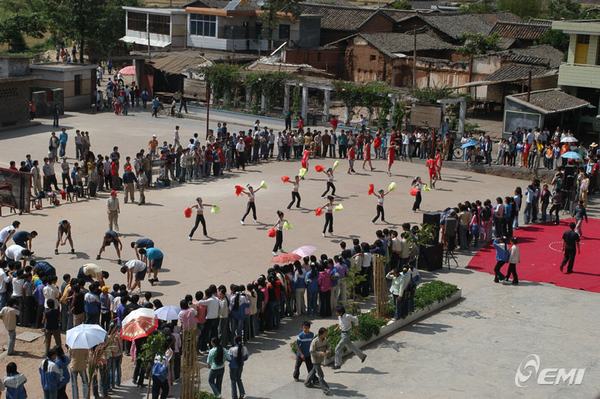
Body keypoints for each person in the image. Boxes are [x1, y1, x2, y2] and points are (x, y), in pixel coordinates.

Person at [333, 305, 366, 369]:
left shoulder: (347, 316)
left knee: (337, 348)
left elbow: (356, 319)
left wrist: (356, 329)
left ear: (340, 312)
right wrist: (337, 328)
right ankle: (362, 356)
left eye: (336, 312)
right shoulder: (339, 317)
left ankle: (337, 364)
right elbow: (341, 324)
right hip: (342, 334)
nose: (335, 313)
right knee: (352, 347)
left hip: (346, 335)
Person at [305, 327, 331, 395]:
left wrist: (328, 350)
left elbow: (328, 346)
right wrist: (320, 353)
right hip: (315, 360)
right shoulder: (315, 341)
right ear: (321, 334)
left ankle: (307, 383)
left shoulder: (325, 339)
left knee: (313, 371)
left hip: (320, 359)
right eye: (325, 333)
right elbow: (311, 351)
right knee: (321, 375)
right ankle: (326, 389)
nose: (326, 334)